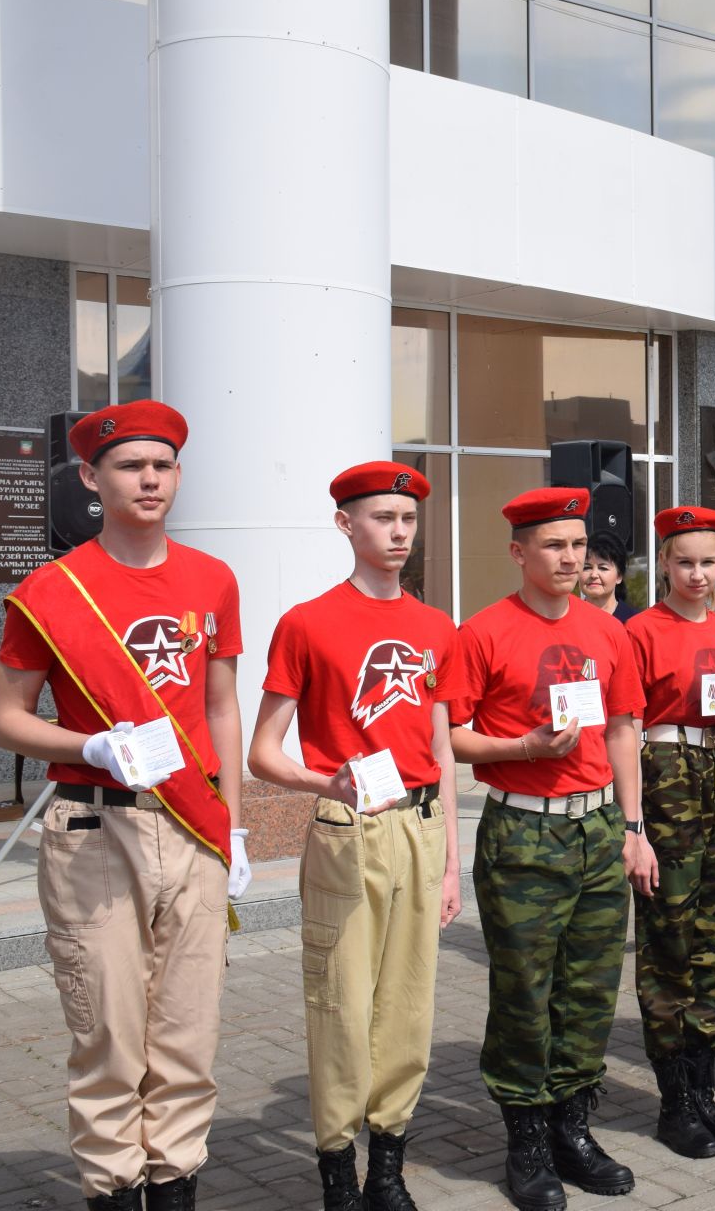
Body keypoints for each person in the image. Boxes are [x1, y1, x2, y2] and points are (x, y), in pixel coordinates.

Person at [0, 401, 244, 1211]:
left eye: (162, 465)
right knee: (107, 1036)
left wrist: (232, 823)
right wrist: (84, 744)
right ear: (93, 479)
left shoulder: (213, 579)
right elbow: (6, 716)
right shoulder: (53, 590)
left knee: (187, 1034)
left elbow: (222, 707)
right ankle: (112, 1189)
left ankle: (175, 1186)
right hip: (96, 827)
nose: (150, 479)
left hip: (192, 824)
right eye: (131, 466)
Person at [247, 462, 463, 1211]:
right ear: (346, 524)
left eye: (406, 519)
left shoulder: (437, 627)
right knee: (341, 1001)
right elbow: (263, 750)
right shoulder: (308, 622)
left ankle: (389, 1166)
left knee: (408, 1004)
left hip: (422, 824)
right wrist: (320, 781)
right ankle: (338, 1166)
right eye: (380, 518)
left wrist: (450, 865)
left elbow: (440, 747)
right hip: (348, 825)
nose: (397, 532)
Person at [449, 487, 657, 1211]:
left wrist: (634, 828)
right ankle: (526, 1142)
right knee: (524, 995)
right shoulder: (482, 633)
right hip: (524, 831)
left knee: (591, 991)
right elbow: (451, 737)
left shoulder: (609, 633)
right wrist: (522, 746)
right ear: (518, 553)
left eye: (578, 545)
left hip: (599, 829)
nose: (571, 559)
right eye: (554, 546)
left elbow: (624, 729)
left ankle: (574, 1128)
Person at [623, 506, 715, 1159]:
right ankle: (674, 1102)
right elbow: (627, 726)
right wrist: (635, 826)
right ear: (664, 565)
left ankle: (705, 1091)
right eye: (684, 562)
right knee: (669, 936)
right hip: (666, 771)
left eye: (708, 562)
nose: (697, 574)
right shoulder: (643, 629)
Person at [581, 529, 639, 623]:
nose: (594, 574)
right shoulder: (567, 619)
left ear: (619, 576)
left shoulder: (634, 622)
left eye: (603, 568)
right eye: (587, 567)